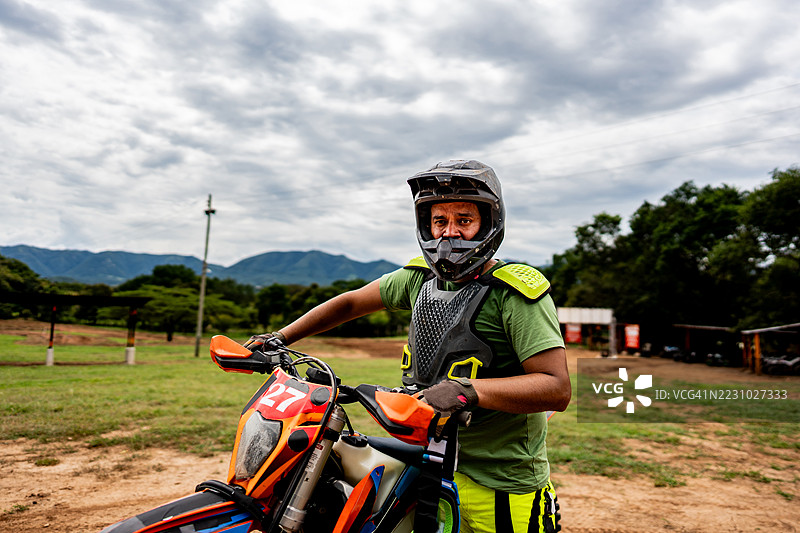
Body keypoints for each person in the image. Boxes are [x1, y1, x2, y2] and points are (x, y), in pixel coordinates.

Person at [247, 160, 571, 532]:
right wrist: (280, 337)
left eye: (464, 221)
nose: (449, 234)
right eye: (439, 221)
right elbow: (351, 302)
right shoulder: (419, 280)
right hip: (431, 463)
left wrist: (467, 391)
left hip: (500, 484)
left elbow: (556, 388)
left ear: (489, 223)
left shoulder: (513, 295)